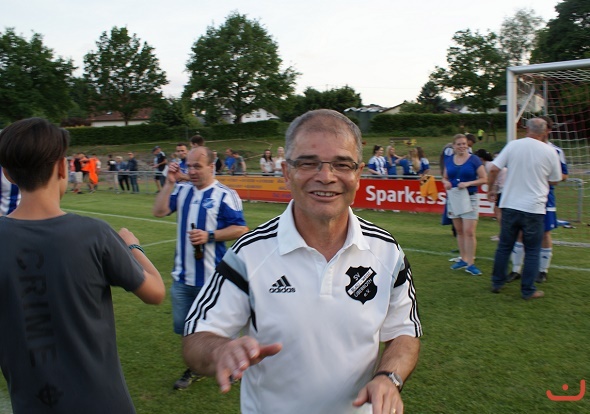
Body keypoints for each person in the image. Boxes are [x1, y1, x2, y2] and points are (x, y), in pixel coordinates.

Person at [182, 109, 422, 414]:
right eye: (308, 163)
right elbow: (197, 336)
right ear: (286, 172)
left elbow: (404, 332)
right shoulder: (249, 253)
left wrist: (389, 377)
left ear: (358, 174)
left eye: (342, 164)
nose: (326, 176)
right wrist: (220, 350)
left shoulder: (387, 252)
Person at [0, 117, 165, 414]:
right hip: (104, 404)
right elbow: (156, 292)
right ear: (62, 168)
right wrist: (133, 247)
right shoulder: (94, 234)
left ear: (7, 173)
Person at [152, 146, 248, 391]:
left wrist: (210, 235)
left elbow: (241, 229)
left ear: (211, 167)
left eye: (197, 166)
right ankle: (197, 365)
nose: (192, 171)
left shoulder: (225, 195)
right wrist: (169, 183)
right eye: (189, 166)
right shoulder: (182, 190)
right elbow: (159, 211)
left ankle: (228, 365)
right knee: (186, 329)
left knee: (220, 328)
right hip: (182, 278)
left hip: (212, 280)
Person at [487, 117, 562, 299]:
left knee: (504, 246)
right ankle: (528, 289)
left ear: (527, 129)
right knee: (533, 250)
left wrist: (490, 189)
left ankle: (497, 282)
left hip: (510, 204)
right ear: (544, 132)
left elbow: (494, 169)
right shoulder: (550, 151)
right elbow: (555, 180)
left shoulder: (513, 145)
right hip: (534, 207)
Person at [507, 118, 569, 284]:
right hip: (522, 196)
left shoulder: (555, 151)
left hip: (545, 198)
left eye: (545, 128)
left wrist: (544, 178)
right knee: (520, 232)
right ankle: (516, 269)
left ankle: (542, 270)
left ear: (548, 130)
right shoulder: (523, 147)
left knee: (544, 233)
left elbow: (563, 175)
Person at [442, 134, 487, 276]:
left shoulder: (474, 160)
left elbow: (484, 178)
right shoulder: (449, 160)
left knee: (469, 231)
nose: (462, 146)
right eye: (459, 144)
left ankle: (471, 263)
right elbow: (445, 177)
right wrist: (446, 183)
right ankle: (463, 258)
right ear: (454, 146)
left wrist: (468, 183)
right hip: (454, 197)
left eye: (464, 144)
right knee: (459, 230)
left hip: (469, 197)